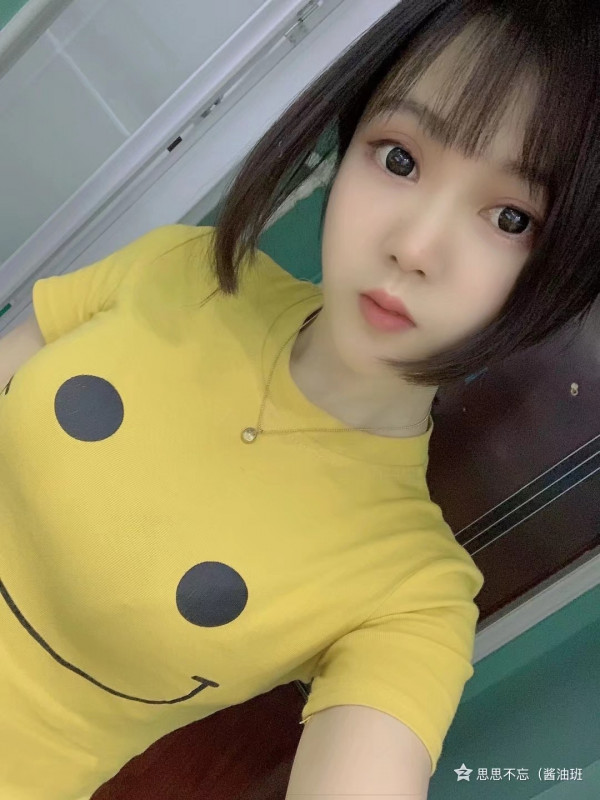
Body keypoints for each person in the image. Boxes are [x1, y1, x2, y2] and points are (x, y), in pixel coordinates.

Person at [1, 0, 599, 798]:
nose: (413, 246)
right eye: (399, 158)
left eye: (510, 217)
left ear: (562, 274)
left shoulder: (408, 592)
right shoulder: (182, 268)